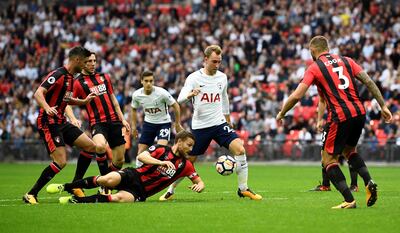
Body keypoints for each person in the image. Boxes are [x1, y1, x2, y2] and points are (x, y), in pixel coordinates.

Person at [276, 36, 392, 209]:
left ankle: (349, 199)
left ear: (313, 51)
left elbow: (297, 95)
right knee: (349, 150)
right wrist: (383, 105)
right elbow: (368, 81)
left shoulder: (315, 68)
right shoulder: (347, 60)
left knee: (328, 160)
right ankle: (368, 182)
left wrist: (282, 112)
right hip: (359, 112)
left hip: (340, 115)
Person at [160, 45, 262, 201]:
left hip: (219, 123)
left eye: (219, 62)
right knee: (189, 162)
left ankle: (243, 189)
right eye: (214, 61)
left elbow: (225, 98)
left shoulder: (222, 77)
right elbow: (178, 99)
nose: (217, 65)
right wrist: (191, 94)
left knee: (240, 150)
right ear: (205, 60)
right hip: (200, 127)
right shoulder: (193, 78)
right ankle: (170, 190)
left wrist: (228, 119)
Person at [23, 46, 101, 204]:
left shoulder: (72, 77)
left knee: (91, 147)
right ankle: (31, 194)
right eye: (85, 62)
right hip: (48, 122)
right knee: (61, 162)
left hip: (61, 121)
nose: (87, 65)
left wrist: (83, 101)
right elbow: (38, 93)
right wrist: (47, 107)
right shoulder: (58, 74)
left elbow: (66, 99)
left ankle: (75, 184)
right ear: (77, 60)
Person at [46, 131, 205, 203]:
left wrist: (200, 186)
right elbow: (141, 156)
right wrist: (161, 162)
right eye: (189, 145)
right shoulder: (161, 150)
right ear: (179, 142)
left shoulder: (186, 165)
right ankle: (66, 186)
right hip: (133, 175)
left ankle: (75, 200)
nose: (191, 149)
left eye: (192, 146)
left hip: (142, 191)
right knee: (107, 179)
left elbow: (200, 182)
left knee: (119, 199)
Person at [65, 52, 131, 194]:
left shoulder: (104, 77)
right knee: (100, 146)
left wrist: (123, 119)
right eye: (89, 61)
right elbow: (66, 102)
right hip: (98, 123)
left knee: (119, 160)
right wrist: (72, 118)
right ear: (83, 62)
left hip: (114, 121)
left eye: (94, 60)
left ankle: (104, 182)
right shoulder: (77, 82)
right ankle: (105, 185)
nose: (93, 63)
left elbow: (114, 100)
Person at [131, 70, 183, 167]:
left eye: (151, 81)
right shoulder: (137, 95)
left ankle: (157, 175)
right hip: (148, 124)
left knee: (160, 150)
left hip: (164, 123)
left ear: (154, 81)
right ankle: (138, 174)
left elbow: (176, 105)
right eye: (146, 81)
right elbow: (133, 109)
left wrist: (177, 123)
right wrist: (133, 127)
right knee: (140, 152)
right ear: (141, 81)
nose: (149, 83)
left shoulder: (162, 93)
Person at [310, 100, 359, 192]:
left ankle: (326, 185)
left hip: (335, 122)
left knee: (327, 153)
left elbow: (322, 101)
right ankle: (353, 185)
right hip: (348, 120)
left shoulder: (328, 88)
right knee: (350, 153)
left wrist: (319, 120)